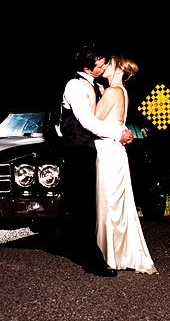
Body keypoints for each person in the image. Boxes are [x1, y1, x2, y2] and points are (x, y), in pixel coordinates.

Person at [61, 45, 133, 277]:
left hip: (92, 150)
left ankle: (101, 252)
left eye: (104, 63)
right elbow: (87, 122)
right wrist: (118, 133)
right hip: (78, 150)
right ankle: (93, 260)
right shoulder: (74, 86)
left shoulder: (97, 86)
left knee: (91, 205)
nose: (103, 67)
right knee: (85, 207)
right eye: (99, 65)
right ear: (86, 68)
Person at [95, 56, 158, 275]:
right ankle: (119, 253)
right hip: (117, 152)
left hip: (107, 151)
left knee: (108, 203)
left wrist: (97, 98)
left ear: (118, 68)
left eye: (109, 64)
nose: (104, 67)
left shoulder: (113, 92)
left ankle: (108, 256)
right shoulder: (122, 92)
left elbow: (93, 120)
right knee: (118, 204)